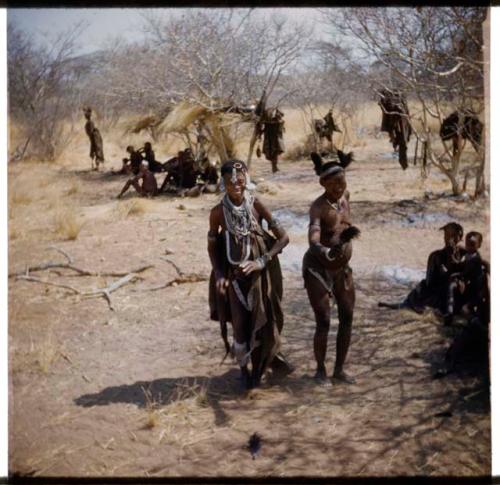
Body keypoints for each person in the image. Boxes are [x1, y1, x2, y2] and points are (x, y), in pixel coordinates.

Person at [207, 160, 292, 389]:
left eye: (240, 179)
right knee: (240, 325)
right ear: (223, 183)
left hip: (259, 278)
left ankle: (260, 369)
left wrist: (261, 261)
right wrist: (219, 274)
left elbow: (283, 238)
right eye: (230, 181)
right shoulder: (217, 213)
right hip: (234, 279)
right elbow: (213, 246)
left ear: (246, 179)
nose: (236, 184)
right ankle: (244, 370)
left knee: (263, 322)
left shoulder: (256, 206)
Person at [303, 152, 359, 385]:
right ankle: (320, 371)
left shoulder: (345, 197)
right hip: (317, 268)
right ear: (322, 183)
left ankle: (339, 370)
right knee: (324, 320)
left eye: (342, 181)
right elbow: (314, 236)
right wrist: (322, 249)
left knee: (347, 317)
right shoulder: (318, 207)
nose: (338, 187)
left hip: (342, 269)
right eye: (333, 183)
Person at [378, 222, 466, 319]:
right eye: (448, 235)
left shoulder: (462, 252)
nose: (451, 239)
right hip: (437, 291)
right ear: (444, 237)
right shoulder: (436, 256)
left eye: (454, 236)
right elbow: (430, 282)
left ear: (460, 237)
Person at [259, 109, 285, 173]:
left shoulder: (278, 122)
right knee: (273, 153)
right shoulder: (271, 122)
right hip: (271, 139)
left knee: (274, 153)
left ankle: (274, 167)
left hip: (273, 139)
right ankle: (274, 167)